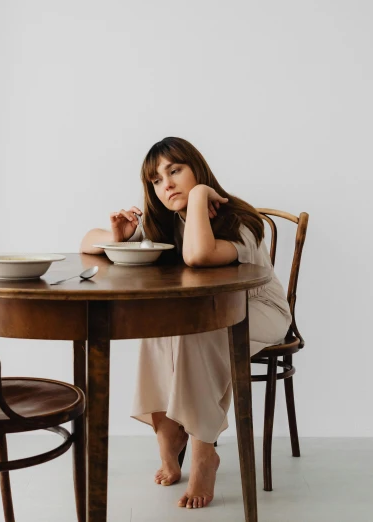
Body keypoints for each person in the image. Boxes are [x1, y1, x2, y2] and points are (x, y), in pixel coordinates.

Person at [80, 137, 292, 509]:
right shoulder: (166, 225)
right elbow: (86, 242)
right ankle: (168, 433)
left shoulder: (240, 222)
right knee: (158, 328)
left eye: (175, 171)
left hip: (260, 309)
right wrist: (119, 238)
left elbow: (197, 256)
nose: (167, 185)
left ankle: (202, 450)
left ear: (198, 169)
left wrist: (198, 198)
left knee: (199, 335)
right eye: (157, 181)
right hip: (209, 311)